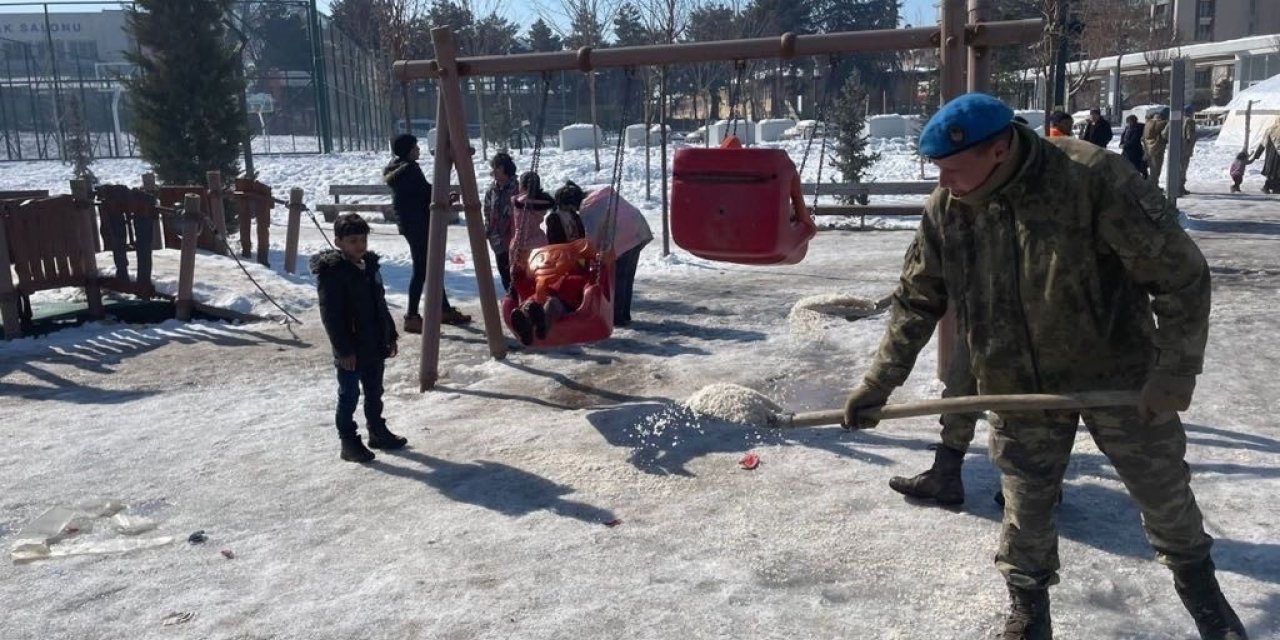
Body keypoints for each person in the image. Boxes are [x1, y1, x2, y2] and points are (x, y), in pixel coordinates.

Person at [842, 93, 1247, 640]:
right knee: (1024, 504)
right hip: (1015, 382)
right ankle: (1029, 612)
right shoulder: (948, 206)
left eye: (955, 170)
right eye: (939, 171)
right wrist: (878, 383)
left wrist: (1176, 369)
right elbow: (917, 300)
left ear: (1000, 149)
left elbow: (1180, 276)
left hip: (1120, 376)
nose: (946, 183)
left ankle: (1206, 602)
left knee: (1163, 493)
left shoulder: (1091, 178)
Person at [312, 213, 407, 463]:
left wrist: (390, 334)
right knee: (349, 394)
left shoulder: (370, 267)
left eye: (362, 239)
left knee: (375, 391)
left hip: (374, 343)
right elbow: (330, 316)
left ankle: (377, 430)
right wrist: (343, 350)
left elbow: (380, 304)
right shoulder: (333, 274)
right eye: (353, 240)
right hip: (351, 349)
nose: (360, 245)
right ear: (339, 242)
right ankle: (348, 440)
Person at [383, 133, 471, 334]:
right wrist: (445, 197)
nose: (418, 150)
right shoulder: (410, 170)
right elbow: (425, 193)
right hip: (417, 225)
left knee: (431, 267)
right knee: (423, 269)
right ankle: (412, 316)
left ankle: (444, 309)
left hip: (411, 224)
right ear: (408, 150)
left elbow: (422, 192)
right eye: (415, 147)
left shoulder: (398, 168)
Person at [580, 186, 654, 327]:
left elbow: (592, 236)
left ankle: (618, 316)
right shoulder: (601, 196)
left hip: (624, 236)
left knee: (619, 277)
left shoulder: (588, 207)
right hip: (638, 230)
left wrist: (588, 254)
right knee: (627, 276)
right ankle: (625, 313)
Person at [482, 152, 519, 292]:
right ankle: (510, 300)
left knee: (516, 274)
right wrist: (489, 229)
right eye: (494, 168)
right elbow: (487, 210)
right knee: (504, 273)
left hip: (514, 239)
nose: (494, 172)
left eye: (497, 168)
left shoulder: (517, 188)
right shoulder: (492, 190)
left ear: (506, 169)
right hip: (497, 240)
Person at [1165, 105, 1197, 196]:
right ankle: (1179, 187)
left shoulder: (1172, 120)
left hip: (1173, 148)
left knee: (1174, 167)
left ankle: (1173, 186)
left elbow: (1164, 133)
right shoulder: (1189, 121)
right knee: (1182, 168)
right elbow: (1190, 136)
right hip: (1184, 149)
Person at [546, 180, 588, 244]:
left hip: (577, 246)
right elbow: (553, 239)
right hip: (562, 248)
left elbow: (582, 232)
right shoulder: (553, 218)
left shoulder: (575, 216)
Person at [1249, 116, 1280, 194]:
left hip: (1270, 155)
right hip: (1276, 156)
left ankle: (1274, 188)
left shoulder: (1269, 130)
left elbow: (1263, 143)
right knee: (1276, 173)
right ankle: (1268, 187)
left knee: (1273, 173)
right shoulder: (1271, 130)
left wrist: (1257, 155)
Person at [1144, 109, 1170, 185]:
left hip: (1148, 148)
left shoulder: (1148, 123)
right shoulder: (1161, 124)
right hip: (1157, 148)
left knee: (1152, 169)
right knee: (1156, 170)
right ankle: (1153, 187)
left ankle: (1151, 185)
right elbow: (1165, 135)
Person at [1120, 114, 1148, 178]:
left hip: (1135, 151)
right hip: (1126, 151)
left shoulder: (1137, 129)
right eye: (1128, 122)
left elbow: (1134, 140)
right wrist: (1121, 143)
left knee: (1137, 166)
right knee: (1124, 165)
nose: (1129, 123)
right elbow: (1123, 136)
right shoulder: (1127, 128)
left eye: (1130, 122)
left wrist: (1125, 145)